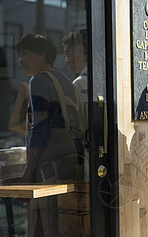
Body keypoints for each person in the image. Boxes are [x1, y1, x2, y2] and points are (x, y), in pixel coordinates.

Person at [16, 33, 83, 237]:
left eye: (25, 54)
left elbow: (40, 126)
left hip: (47, 166)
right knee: (66, 227)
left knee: (45, 231)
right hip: (69, 163)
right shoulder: (67, 82)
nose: (21, 60)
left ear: (42, 55)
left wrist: (27, 174)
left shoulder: (38, 81)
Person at [62, 29, 89, 180]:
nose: (66, 60)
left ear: (80, 50)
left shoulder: (78, 85)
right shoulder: (105, 81)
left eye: (67, 53)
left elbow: (73, 130)